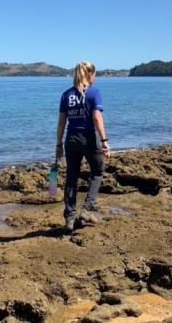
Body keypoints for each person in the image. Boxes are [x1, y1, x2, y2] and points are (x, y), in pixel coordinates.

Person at [56, 61, 110, 231]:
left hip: (71, 138)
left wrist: (58, 144)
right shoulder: (94, 93)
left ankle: (70, 219)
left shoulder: (66, 95)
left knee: (71, 177)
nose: (95, 78)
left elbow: (61, 123)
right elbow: (97, 118)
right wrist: (104, 141)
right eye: (94, 74)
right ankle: (87, 209)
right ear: (89, 75)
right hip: (88, 138)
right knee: (97, 171)